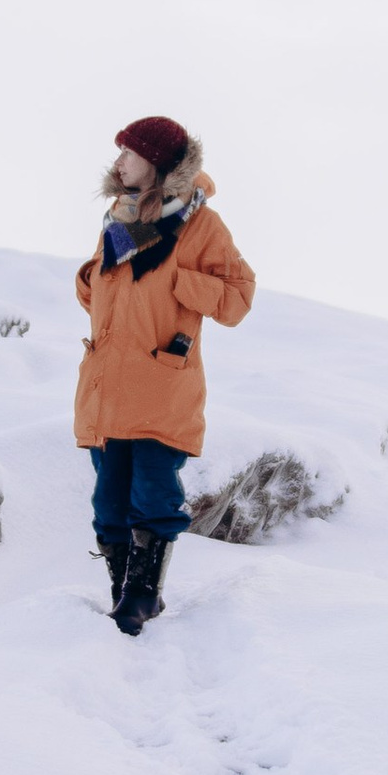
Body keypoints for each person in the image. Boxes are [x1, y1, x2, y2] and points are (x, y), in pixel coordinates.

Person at [74, 116, 256, 633]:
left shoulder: (202, 225)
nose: (118, 163)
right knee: (109, 502)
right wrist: (90, 277)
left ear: (154, 162)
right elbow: (97, 295)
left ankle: (142, 596)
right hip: (107, 386)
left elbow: (238, 299)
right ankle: (120, 593)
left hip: (161, 384)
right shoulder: (120, 216)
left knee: (153, 495)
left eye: (128, 154)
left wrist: (182, 282)